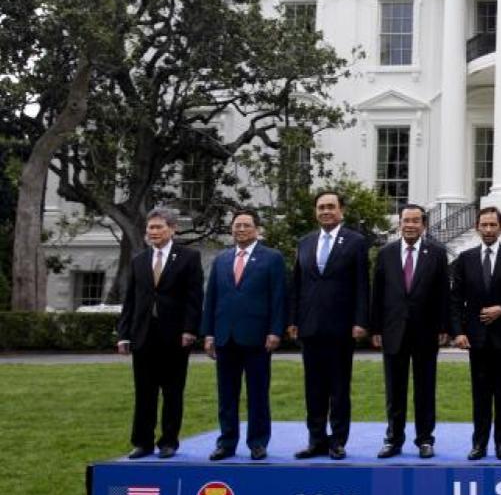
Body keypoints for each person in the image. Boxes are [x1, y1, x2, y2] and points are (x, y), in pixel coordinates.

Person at [286, 189, 370, 460]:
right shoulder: (305, 242)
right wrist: (293, 319)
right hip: (310, 327)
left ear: (341, 210)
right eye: (321, 207)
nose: (326, 211)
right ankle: (316, 440)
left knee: (338, 388)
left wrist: (360, 321)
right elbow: (297, 284)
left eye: (331, 206)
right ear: (315, 211)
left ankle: (337, 441)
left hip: (341, 327)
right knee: (314, 388)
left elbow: (361, 284)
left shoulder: (355, 242)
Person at [116, 206, 203, 459]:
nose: (153, 232)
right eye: (150, 228)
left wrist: (190, 329)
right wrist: (124, 334)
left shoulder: (188, 257)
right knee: (144, 392)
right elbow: (130, 300)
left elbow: (194, 297)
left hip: (175, 336)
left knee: (173, 392)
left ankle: (168, 441)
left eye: (158, 227)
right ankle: (142, 442)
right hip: (143, 336)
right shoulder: (139, 260)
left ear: (172, 229)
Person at [202, 209, 287, 461]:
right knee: (226, 394)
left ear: (257, 229)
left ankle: (258, 442)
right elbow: (212, 298)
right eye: (236, 225)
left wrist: (275, 330)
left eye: (246, 225)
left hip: (258, 338)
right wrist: (208, 334)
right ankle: (226, 442)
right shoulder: (222, 259)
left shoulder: (272, 258)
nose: (240, 229)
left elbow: (279, 297)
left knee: (258, 393)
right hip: (225, 337)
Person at [449, 207, 501, 461]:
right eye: (483, 225)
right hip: (476, 338)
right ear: (477, 227)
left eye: (492, 225)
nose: (487, 230)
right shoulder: (466, 259)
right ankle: (479, 444)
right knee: (481, 394)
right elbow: (455, 299)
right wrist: (458, 332)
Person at [370, 203, 450, 459]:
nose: (411, 225)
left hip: (426, 332)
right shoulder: (386, 254)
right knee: (395, 390)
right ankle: (393, 439)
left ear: (423, 225)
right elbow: (378, 294)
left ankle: (425, 439)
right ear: (399, 223)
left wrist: (443, 326)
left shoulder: (436, 254)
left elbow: (442, 294)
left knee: (425, 389)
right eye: (406, 220)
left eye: (416, 221)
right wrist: (376, 327)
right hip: (393, 331)